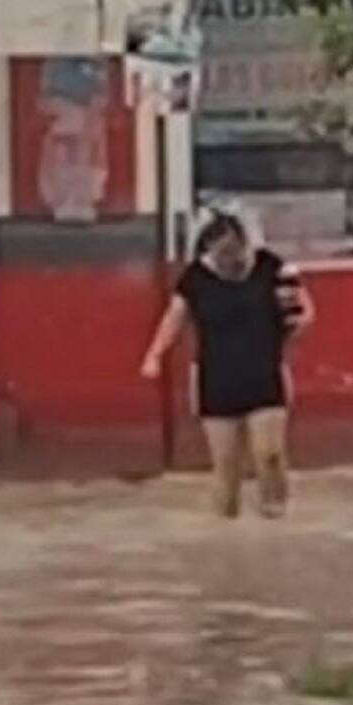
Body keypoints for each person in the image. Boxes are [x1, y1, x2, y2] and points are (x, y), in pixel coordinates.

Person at [140, 211, 314, 519]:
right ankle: (226, 527)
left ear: (245, 243)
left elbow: (304, 309)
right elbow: (174, 319)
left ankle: (276, 516)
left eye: (234, 250)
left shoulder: (271, 267)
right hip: (217, 380)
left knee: (270, 455)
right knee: (226, 467)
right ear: (208, 251)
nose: (229, 259)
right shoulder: (195, 278)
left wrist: (300, 320)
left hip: (265, 375)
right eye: (221, 253)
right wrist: (154, 355)